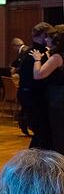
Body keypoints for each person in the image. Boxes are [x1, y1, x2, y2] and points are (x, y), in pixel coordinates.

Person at [19, 23, 53, 149]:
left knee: (40, 132)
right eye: (48, 36)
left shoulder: (32, 51)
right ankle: (34, 162)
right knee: (41, 131)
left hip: (29, 94)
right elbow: (38, 77)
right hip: (34, 96)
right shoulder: (37, 53)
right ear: (43, 36)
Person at [32, 25, 64, 154]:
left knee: (58, 131)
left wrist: (37, 59)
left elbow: (38, 74)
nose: (46, 40)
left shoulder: (57, 57)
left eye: (48, 38)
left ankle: (59, 162)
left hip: (58, 98)